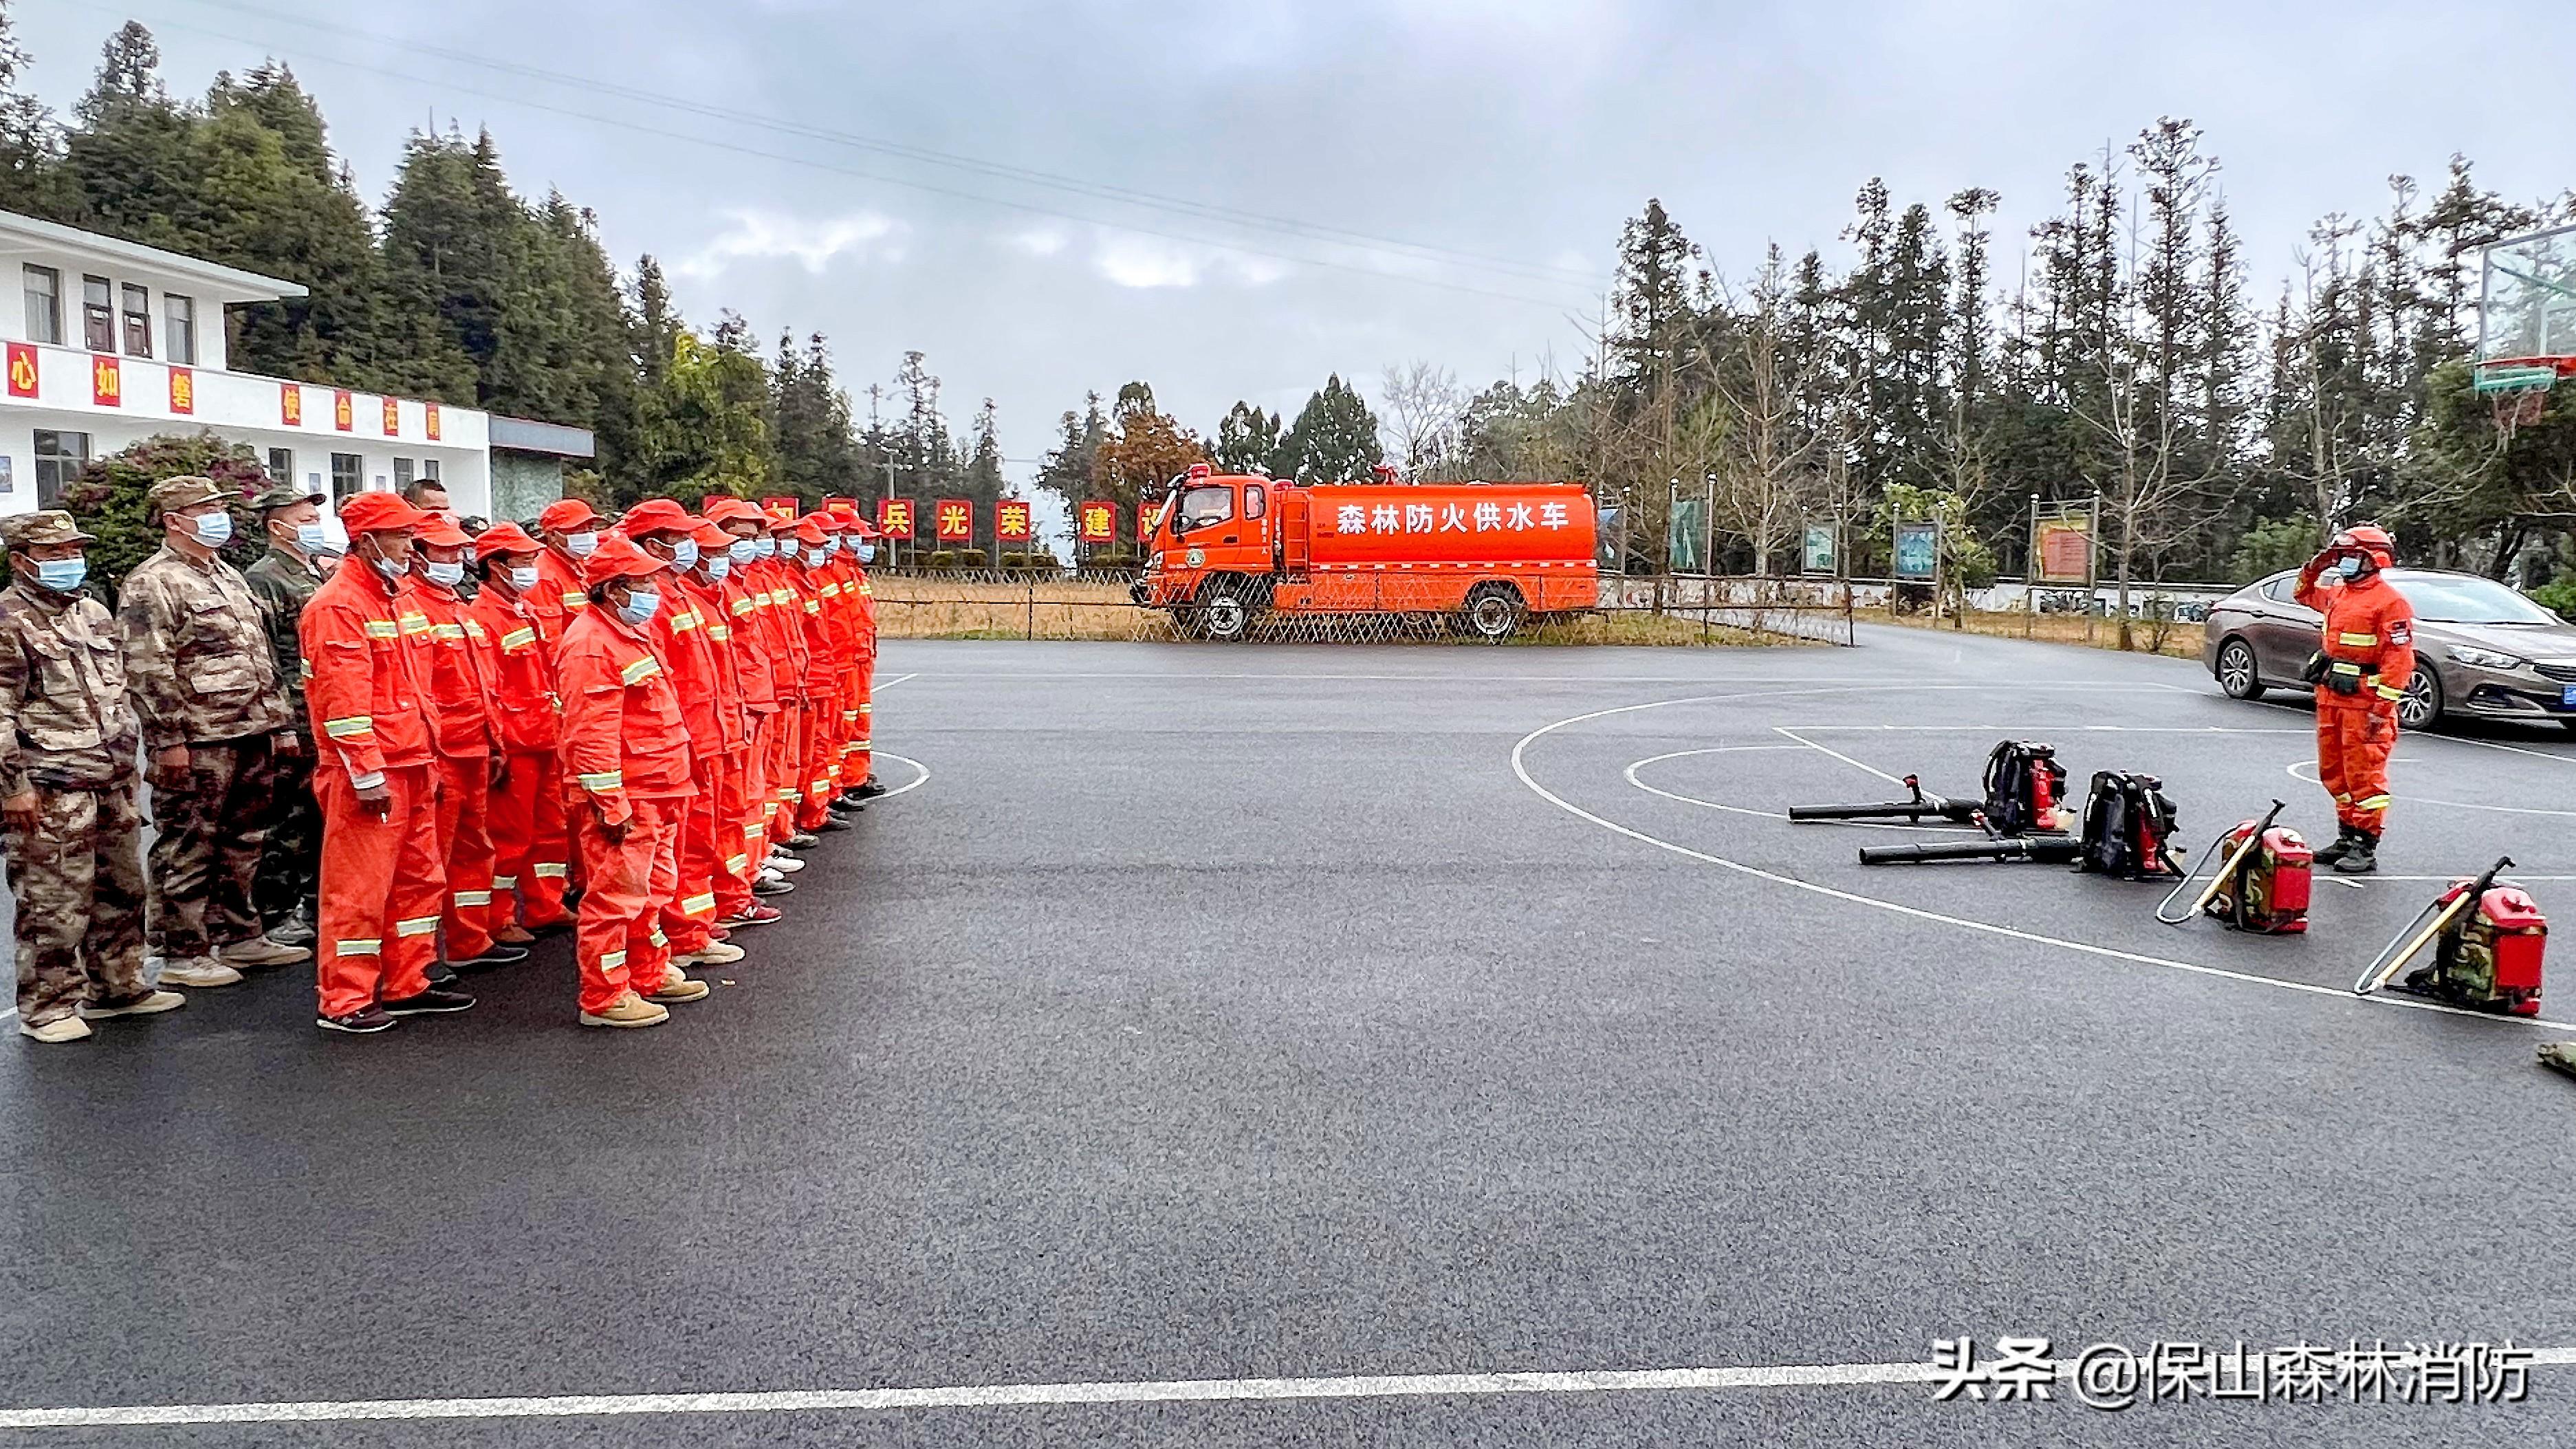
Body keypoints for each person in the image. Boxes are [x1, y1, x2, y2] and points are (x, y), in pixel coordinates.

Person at [1, 511, 185, 1042]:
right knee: (55, 899)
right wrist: (14, 787)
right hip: (51, 781)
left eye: (72, 550)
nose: (68, 561)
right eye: (54, 553)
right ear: (21, 560)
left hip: (111, 774)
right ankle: (48, 1005)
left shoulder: (92, 612)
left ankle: (118, 986)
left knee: (123, 887)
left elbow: (120, 690)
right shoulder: (9, 621)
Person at [117, 475, 307, 987]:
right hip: (200, 735)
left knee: (245, 838)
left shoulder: (226, 575)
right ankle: (183, 950)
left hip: (252, 726)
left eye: (218, 507)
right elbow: (148, 667)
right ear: (174, 519)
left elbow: (262, 655)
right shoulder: (152, 581)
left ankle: (241, 936)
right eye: (205, 508)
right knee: (190, 841)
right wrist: (167, 738)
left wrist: (281, 723)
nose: (217, 516)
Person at [301, 491, 473, 1034]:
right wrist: (366, 772)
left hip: (415, 761)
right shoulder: (338, 605)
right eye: (401, 536)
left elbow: (419, 690)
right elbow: (343, 702)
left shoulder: (395, 599)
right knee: (359, 890)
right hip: (371, 773)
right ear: (369, 540)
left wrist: (431, 757)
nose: (411, 546)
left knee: (419, 879)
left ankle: (408, 980)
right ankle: (346, 998)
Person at [555, 532, 710, 1028]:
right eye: (643, 582)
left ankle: (647, 970)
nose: (654, 590)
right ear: (615, 589)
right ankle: (603, 997)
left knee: (653, 889)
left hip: (660, 787)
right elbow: (591, 735)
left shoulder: (624, 634)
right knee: (614, 897)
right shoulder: (591, 646)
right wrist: (611, 803)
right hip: (631, 795)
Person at [617, 499, 741, 969]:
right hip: (677, 744)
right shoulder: (657, 601)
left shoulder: (677, 591)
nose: (692, 546)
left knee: (695, 842)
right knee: (678, 848)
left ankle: (691, 929)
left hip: (699, 737)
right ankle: (680, 936)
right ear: (654, 544)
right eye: (682, 538)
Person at [408, 513, 525, 972]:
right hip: (442, 752)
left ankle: (470, 939)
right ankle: (416, 965)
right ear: (418, 556)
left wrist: (495, 743)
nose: (456, 558)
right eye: (444, 551)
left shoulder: (456, 606)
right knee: (426, 863)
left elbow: (484, 684)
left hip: (475, 747)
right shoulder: (417, 609)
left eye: (459, 550)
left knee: (474, 850)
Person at [465, 522, 573, 942]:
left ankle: (545, 905)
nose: (534, 568)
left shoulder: (524, 610)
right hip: (517, 743)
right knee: (508, 838)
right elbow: (487, 688)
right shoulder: (483, 618)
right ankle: (498, 917)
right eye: (525, 562)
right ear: (496, 567)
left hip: (546, 735)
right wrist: (498, 745)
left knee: (550, 830)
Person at [2293, 524, 2415, 875]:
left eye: (2351, 555)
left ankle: (2366, 842)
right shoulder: (2340, 593)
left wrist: (2382, 708)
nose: (2345, 561)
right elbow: (2303, 593)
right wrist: (2316, 565)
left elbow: (2399, 659)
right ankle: (2347, 835)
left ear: (2372, 559)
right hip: (2332, 697)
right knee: (2334, 772)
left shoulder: (2391, 602)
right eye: (2342, 555)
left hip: (2365, 704)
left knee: (2365, 776)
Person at [242, 482, 333, 948]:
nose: (315, 527)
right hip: (293, 715)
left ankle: (313, 903)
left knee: (317, 817)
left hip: (318, 711)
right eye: (305, 520)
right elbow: (266, 655)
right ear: (276, 526)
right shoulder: (266, 577)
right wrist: (279, 722)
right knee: (288, 819)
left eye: (315, 519)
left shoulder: (312, 570)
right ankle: (277, 913)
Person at [703, 499, 785, 930]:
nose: (749, 545)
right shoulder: (707, 595)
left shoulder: (738, 586)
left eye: (755, 537)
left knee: (746, 801)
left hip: (746, 708)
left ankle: (743, 879)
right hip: (719, 721)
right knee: (722, 815)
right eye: (738, 537)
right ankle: (726, 895)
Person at [527, 498, 604, 654]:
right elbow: (551, 642)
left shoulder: (580, 565)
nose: (589, 534)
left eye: (591, 528)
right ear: (553, 536)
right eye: (579, 529)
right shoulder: (544, 576)